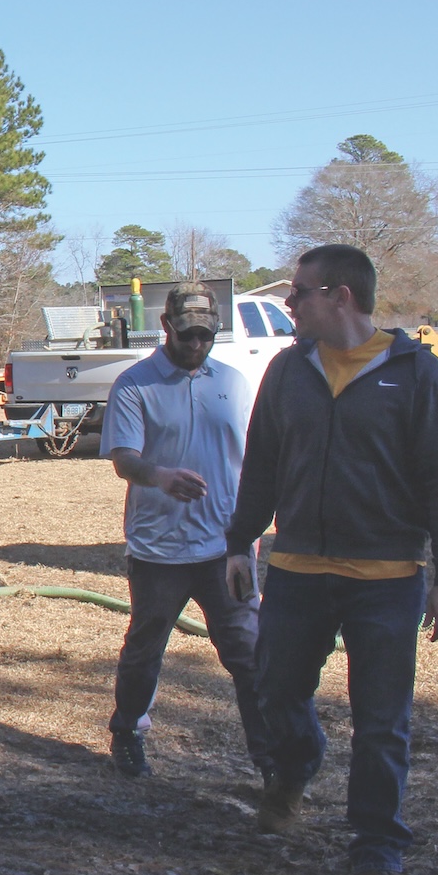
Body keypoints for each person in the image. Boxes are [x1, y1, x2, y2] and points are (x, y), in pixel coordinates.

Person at [225, 243, 438, 875]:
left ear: (339, 297)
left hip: (387, 578)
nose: (289, 304)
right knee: (275, 688)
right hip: (299, 569)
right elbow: (264, 463)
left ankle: (377, 858)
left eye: (298, 293)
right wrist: (240, 540)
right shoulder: (288, 369)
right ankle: (297, 765)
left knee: (382, 723)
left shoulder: (414, 374)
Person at [100, 285, 274, 782]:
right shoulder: (135, 385)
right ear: (166, 327)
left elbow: (256, 460)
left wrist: (251, 533)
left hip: (227, 550)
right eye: (187, 334)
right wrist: (161, 477)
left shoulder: (236, 384)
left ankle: (270, 762)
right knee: (145, 647)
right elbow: (123, 459)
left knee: (249, 654)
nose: (196, 344)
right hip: (159, 550)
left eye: (206, 334)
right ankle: (129, 729)